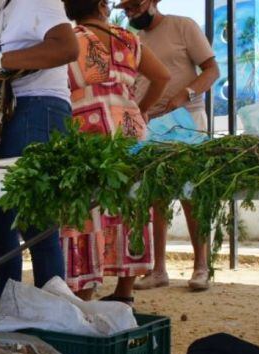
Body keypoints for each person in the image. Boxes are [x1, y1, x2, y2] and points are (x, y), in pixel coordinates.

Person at [0, 0, 79, 296]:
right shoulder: (4, 10)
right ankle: (14, 302)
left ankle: (48, 310)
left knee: (35, 223)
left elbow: (68, 48)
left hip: (40, 108)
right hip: (21, 113)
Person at [59, 0, 170, 303]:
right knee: (131, 206)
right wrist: (141, 109)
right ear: (101, 6)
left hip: (88, 129)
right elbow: (162, 77)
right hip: (129, 129)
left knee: (85, 207)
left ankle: (84, 287)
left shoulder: (71, 40)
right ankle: (125, 291)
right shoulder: (129, 38)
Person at [122, 0, 221, 292]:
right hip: (150, 123)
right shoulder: (134, 39)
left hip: (186, 119)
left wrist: (183, 95)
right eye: (126, 10)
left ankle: (201, 266)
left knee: (192, 190)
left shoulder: (183, 26)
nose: (131, 14)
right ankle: (159, 269)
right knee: (155, 195)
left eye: (135, 7)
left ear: (152, 2)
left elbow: (212, 70)